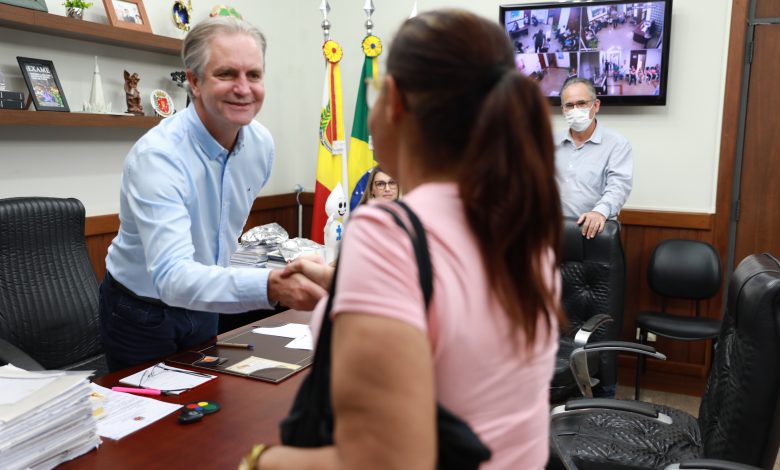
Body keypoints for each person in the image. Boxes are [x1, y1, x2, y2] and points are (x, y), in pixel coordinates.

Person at [240, 9, 563, 470]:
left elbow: (384, 461)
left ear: (391, 99)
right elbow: (452, 308)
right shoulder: (518, 222)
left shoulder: (387, 231)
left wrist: (258, 461)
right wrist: (339, 281)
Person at [99, 16, 326, 372]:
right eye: (226, 74)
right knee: (150, 420)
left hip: (206, 300)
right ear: (194, 81)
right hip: (140, 311)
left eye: (253, 75)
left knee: (207, 402)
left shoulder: (261, 144)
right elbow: (173, 277)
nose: (243, 88)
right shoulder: (158, 157)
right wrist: (272, 286)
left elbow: (220, 236)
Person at [555, 77, 633, 241]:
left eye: (582, 103)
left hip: (592, 234)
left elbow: (619, 186)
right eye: (569, 105)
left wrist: (599, 212)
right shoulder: (550, 143)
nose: (575, 110)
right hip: (551, 232)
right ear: (563, 110)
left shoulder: (617, 144)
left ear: (596, 105)